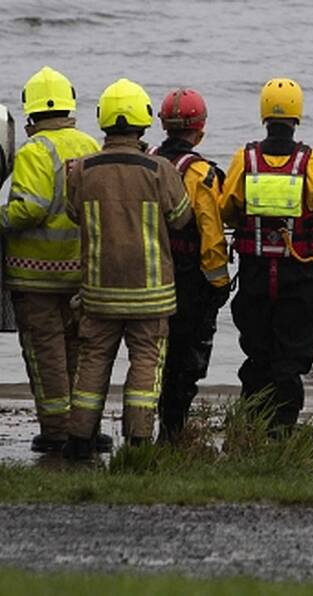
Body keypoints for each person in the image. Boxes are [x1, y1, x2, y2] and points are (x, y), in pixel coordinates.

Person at [64, 78, 193, 458]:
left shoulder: (83, 170)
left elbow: (74, 214)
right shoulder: (159, 169)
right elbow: (182, 218)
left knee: (92, 364)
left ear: (103, 119)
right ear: (144, 120)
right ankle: (137, 443)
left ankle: (78, 441)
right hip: (150, 297)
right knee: (145, 366)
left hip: (99, 293)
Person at [219, 78, 313, 434]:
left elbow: (227, 209)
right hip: (300, 276)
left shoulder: (244, 160)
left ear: (263, 114)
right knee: (290, 357)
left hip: (256, 274)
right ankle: (283, 428)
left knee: (257, 353)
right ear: (297, 115)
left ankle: (252, 423)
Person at [0, 66, 107, 454]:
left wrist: (1, 216)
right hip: (82, 272)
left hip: (35, 276)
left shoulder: (34, 150)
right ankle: (85, 429)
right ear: (70, 104)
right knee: (81, 351)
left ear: (31, 113)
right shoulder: (91, 146)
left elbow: (29, 208)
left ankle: (56, 432)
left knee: (45, 354)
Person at [148, 88, 230, 443]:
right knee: (185, 358)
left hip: (145, 274)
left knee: (148, 355)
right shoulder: (202, 175)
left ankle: (145, 426)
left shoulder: (145, 162)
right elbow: (212, 238)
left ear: (164, 124)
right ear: (201, 129)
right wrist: (219, 284)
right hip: (186, 282)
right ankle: (172, 429)